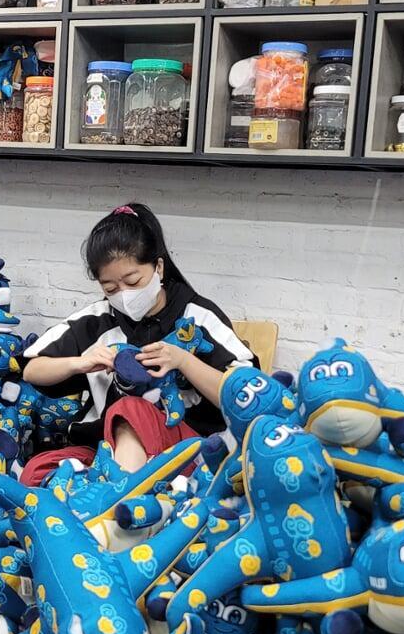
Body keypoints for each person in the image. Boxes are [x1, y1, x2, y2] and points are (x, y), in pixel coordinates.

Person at [20, 204, 255, 481]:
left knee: (130, 409)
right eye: (110, 288)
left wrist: (183, 361)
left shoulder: (198, 318)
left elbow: (248, 394)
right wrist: (79, 363)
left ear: (158, 267)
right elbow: (32, 370)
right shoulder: (97, 320)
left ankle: (116, 495)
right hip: (104, 448)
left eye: (133, 281)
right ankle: (111, 489)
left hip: (186, 450)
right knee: (35, 472)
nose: (124, 295)